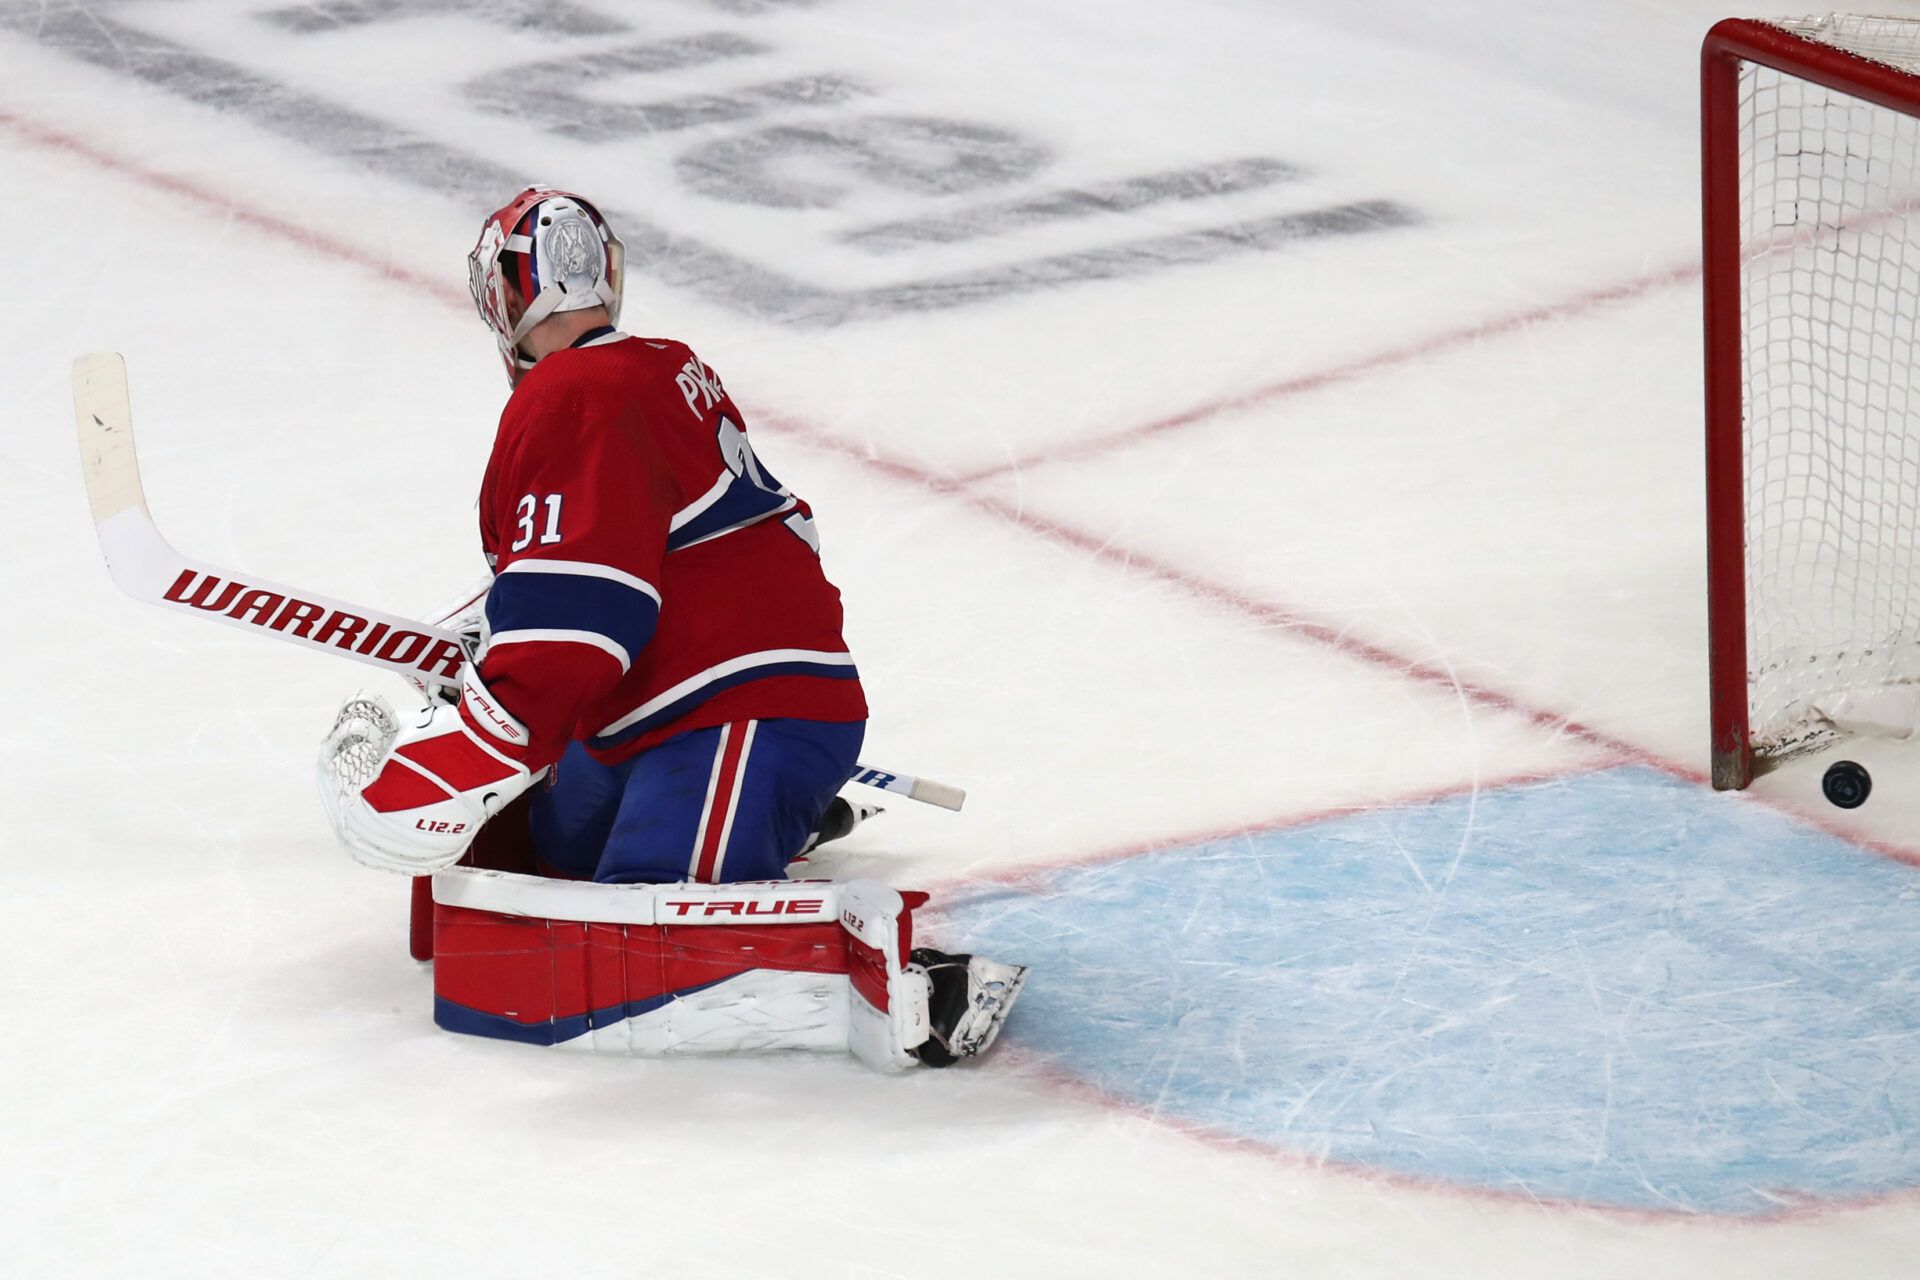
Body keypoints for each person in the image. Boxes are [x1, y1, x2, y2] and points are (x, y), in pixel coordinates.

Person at [317, 187, 1022, 1067]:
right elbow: (638, 549)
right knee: (544, 851)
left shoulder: (573, 391)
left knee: (638, 927)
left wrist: (465, 749)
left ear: (503, 296)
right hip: (661, 707)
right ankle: (787, 817)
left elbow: (584, 614)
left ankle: (920, 987)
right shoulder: (656, 365)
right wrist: (496, 629)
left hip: (738, 707)